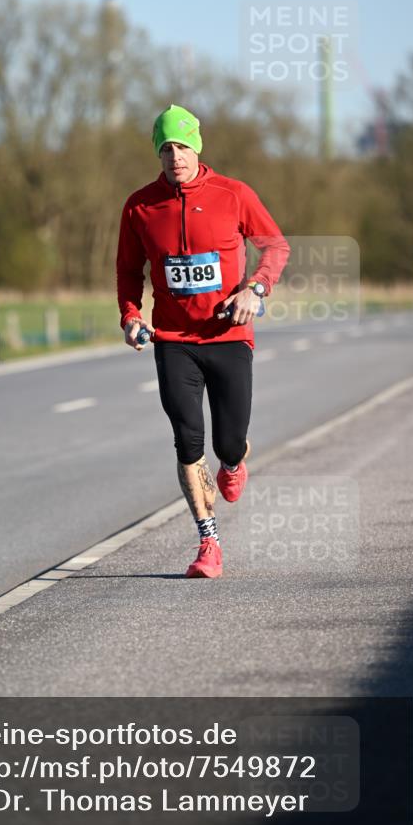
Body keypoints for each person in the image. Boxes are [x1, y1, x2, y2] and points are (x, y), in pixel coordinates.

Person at [116, 105, 289, 578]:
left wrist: (256, 289)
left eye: (182, 147)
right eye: (166, 148)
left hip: (229, 334)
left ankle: (234, 462)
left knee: (228, 442)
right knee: (187, 439)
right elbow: (129, 271)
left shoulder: (233, 194)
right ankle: (208, 541)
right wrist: (130, 316)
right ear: (158, 153)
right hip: (174, 340)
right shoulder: (139, 206)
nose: (175, 157)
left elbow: (275, 246)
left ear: (197, 147)